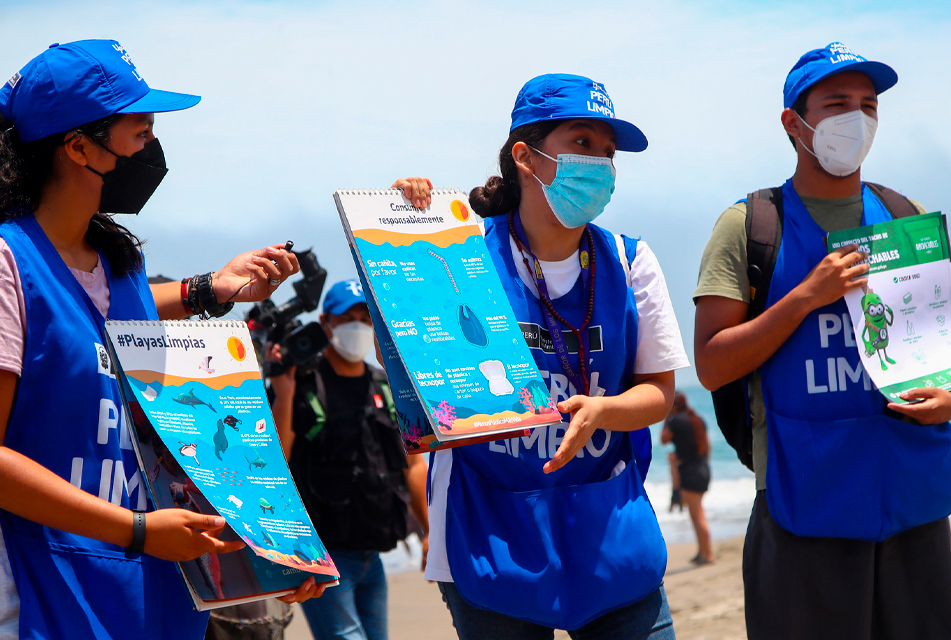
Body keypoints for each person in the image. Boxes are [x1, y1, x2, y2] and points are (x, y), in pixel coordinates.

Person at [0, 39, 323, 640]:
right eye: (140, 131)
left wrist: (272, 553)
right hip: (50, 593)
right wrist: (138, 530)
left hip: (153, 597)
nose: (154, 149)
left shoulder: (119, 266)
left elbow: (126, 331)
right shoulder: (9, 262)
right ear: (78, 147)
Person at [694, 42, 951, 640]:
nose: (856, 119)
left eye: (868, 105)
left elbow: (938, 345)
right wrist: (805, 297)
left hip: (913, 502)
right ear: (795, 122)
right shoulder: (752, 225)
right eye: (837, 104)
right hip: (804, 508)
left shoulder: (902, 213)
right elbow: (710, 365)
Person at [424, 74, 690, 639]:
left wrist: (603, 411)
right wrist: (405, 223)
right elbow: (415, 379)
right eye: (582, 144)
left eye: (609, 152)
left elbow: (658, 392)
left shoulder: (630, 261)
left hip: (607, 528)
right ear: (526, 155)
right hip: (489, 531)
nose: (600, 165)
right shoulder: (459, 255)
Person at [270, 278, 430, 640]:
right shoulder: (301, 384)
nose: (359, 324)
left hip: (374, 555)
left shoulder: (385, 385)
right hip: (322, 555)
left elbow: (415, 463)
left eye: (366, 316)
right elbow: (277, 462)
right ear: (326, 323)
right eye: (348, 317)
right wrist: (284, 391)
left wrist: (428, 530)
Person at [660, 392, 712, 564]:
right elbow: (707, 447)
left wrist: (666, 417)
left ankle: (707, 554)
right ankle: (702, 552)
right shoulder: (697, 419)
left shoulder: (676, 420)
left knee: (697, 515)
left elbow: (663, 439)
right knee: (697, 512)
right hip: (702, 468)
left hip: (690, 472)